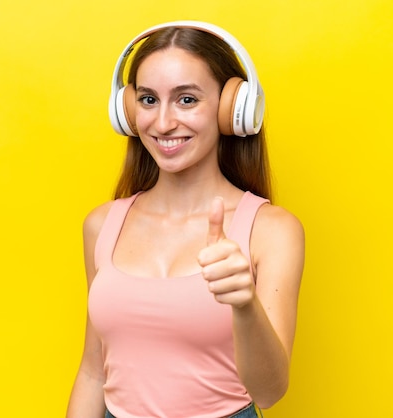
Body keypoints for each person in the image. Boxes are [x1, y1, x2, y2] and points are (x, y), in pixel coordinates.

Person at [67, 21, 305, 418]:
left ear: (233, 109)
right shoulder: (101, 225)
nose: (162, 123)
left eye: (187, 100)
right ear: (127, 110)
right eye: (148, 100)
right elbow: (94, 372)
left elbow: (269, 391)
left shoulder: (272, 231)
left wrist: (244, 303)